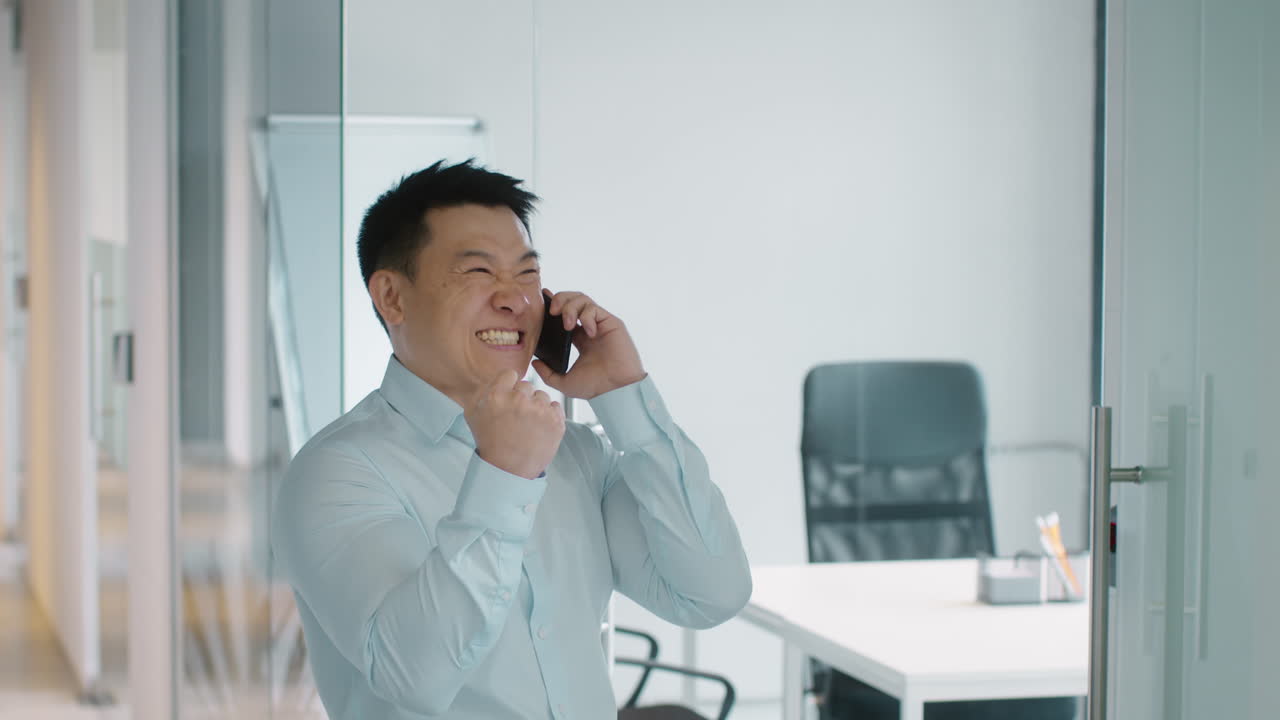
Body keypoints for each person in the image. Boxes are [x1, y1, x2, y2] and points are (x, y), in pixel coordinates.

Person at [271, 160, 752, 719]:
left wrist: (626, 399)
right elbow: (413, 676)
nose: (515, 300)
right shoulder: (336, 472)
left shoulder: (576, 453)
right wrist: (503, 477)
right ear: (392, 297)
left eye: (527, 273)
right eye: (479, 271)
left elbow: (711, 593)